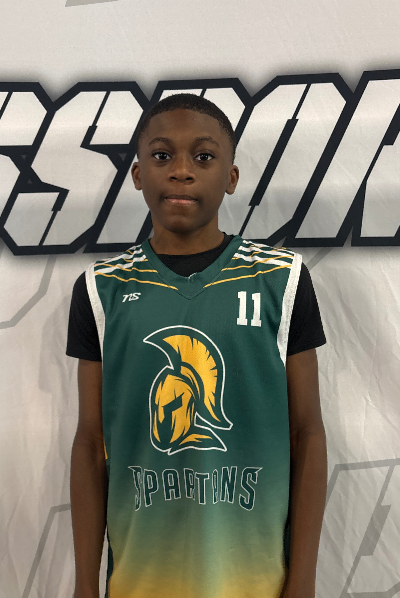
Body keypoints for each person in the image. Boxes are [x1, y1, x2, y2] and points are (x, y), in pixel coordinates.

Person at [67, 93, 327, 598]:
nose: (182, 171)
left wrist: (303, 583)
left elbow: (308, 434)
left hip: (255, 582)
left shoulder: (281, 280)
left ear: (231, 177)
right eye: (162, 155)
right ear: (138, 174)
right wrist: (83, 585)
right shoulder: (102, 289)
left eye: (203, 156)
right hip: (139, 581)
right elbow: (90, 444)